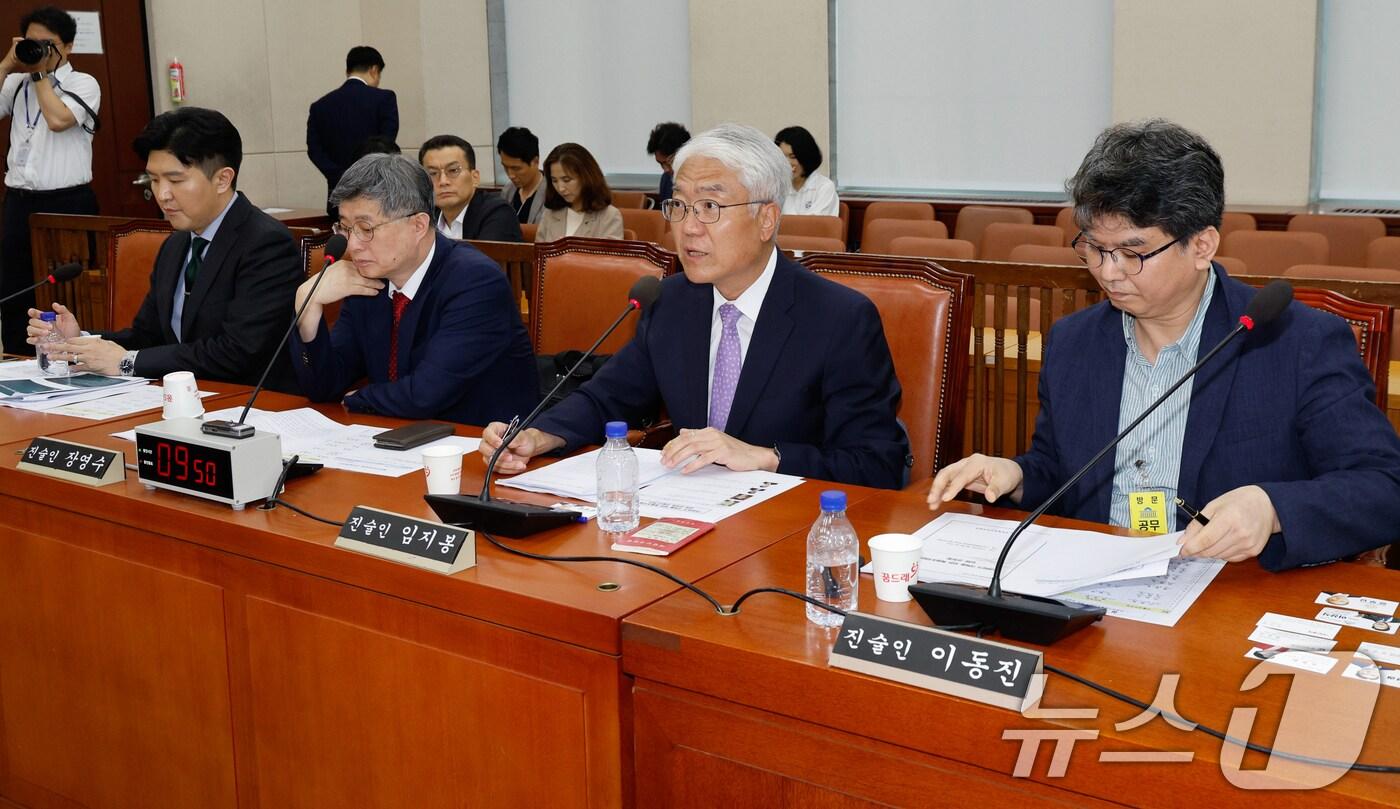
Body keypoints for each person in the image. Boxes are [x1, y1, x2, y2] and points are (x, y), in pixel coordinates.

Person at [927, 119, 1400, 571]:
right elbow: (1061, 470)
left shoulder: (1297, 342)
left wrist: (1272, 507)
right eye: (1094, 249)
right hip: (1093, 588)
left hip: (1228, 590)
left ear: (1201, 246)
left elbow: (1384, 487)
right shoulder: (1074, 342)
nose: (1109, 272)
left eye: (1133, 253)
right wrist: (1014, 475)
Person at [481, 123, 910, 489]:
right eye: (679, 205)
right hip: (689, 521)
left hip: (790, 536)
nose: (687, 228)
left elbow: (876, 463)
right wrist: (540, 435)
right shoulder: (671, 302)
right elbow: (606, 398)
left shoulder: (839, 320)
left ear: (766, 219)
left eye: (709, 206)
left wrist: (767, 457)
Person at [26, 107, 302, 389]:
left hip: (250, 403)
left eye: (176, 180)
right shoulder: (176, 244)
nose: (162, 194)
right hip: (183, 398)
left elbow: (238, 351)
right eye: (154, 180)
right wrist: (78, 340)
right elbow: (147, 338)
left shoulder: (266, 244)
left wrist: (128, 362)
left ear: (223, 179)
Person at [290, 153, 537, 425]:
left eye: (366, 228)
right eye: (346, 228)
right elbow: (323, 387)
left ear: (418, 225)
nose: (353, 245)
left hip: (482, 448)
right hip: (398, 438)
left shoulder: (475, 282)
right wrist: (307, 305)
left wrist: (356, 399)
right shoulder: (366, 278)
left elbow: (425, 395)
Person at [0, 6, 99, 355]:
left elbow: (59, 120)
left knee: (67, 291)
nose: (39, 50)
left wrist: (41, 75)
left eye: (48, 44)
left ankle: (72, 359)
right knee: (13, 289)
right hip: (19, 201)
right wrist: (7, 65)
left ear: (68, 47)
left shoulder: (83, 83)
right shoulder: (15, 83)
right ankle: (17, 361)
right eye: (32, 43)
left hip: (67, 203)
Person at [307, 46, 399, 208]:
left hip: (338, 193)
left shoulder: (320, 106)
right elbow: (386, 144)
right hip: (377, 192)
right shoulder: (384, 99)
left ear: (347, 71)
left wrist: (339, 176)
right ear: (374, 70)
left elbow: (314, 150)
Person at [418, 134, 521, 242]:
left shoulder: (498, 213)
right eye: (433, 173)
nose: (443, 181)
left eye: (453, 170)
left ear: (475, 178)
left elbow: (480, 258)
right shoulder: (424, 217)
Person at [535, 142, 624, 242]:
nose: (560, 188)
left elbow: (609, 256)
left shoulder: (609, 216)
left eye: (566, 180)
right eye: (554, 181)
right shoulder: (549, 215)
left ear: (586, 177)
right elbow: (538, 254)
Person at [775, 125, 838, 217]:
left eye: (793, 157)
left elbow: (813, 226)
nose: (787, 163)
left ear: (806, 157)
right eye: (782, 157)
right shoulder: (778, 187)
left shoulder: (824, 187)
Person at [497, 126, 546, 226]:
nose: (510, 175)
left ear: (535, 162)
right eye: (506, 167)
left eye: (516, 168)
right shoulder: (507, 191)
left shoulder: (552, 193)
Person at [647, 121, 689, 203]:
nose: (665, 169)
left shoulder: (703, 182)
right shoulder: (666, 179)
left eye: (669, 163)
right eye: (661, 164)